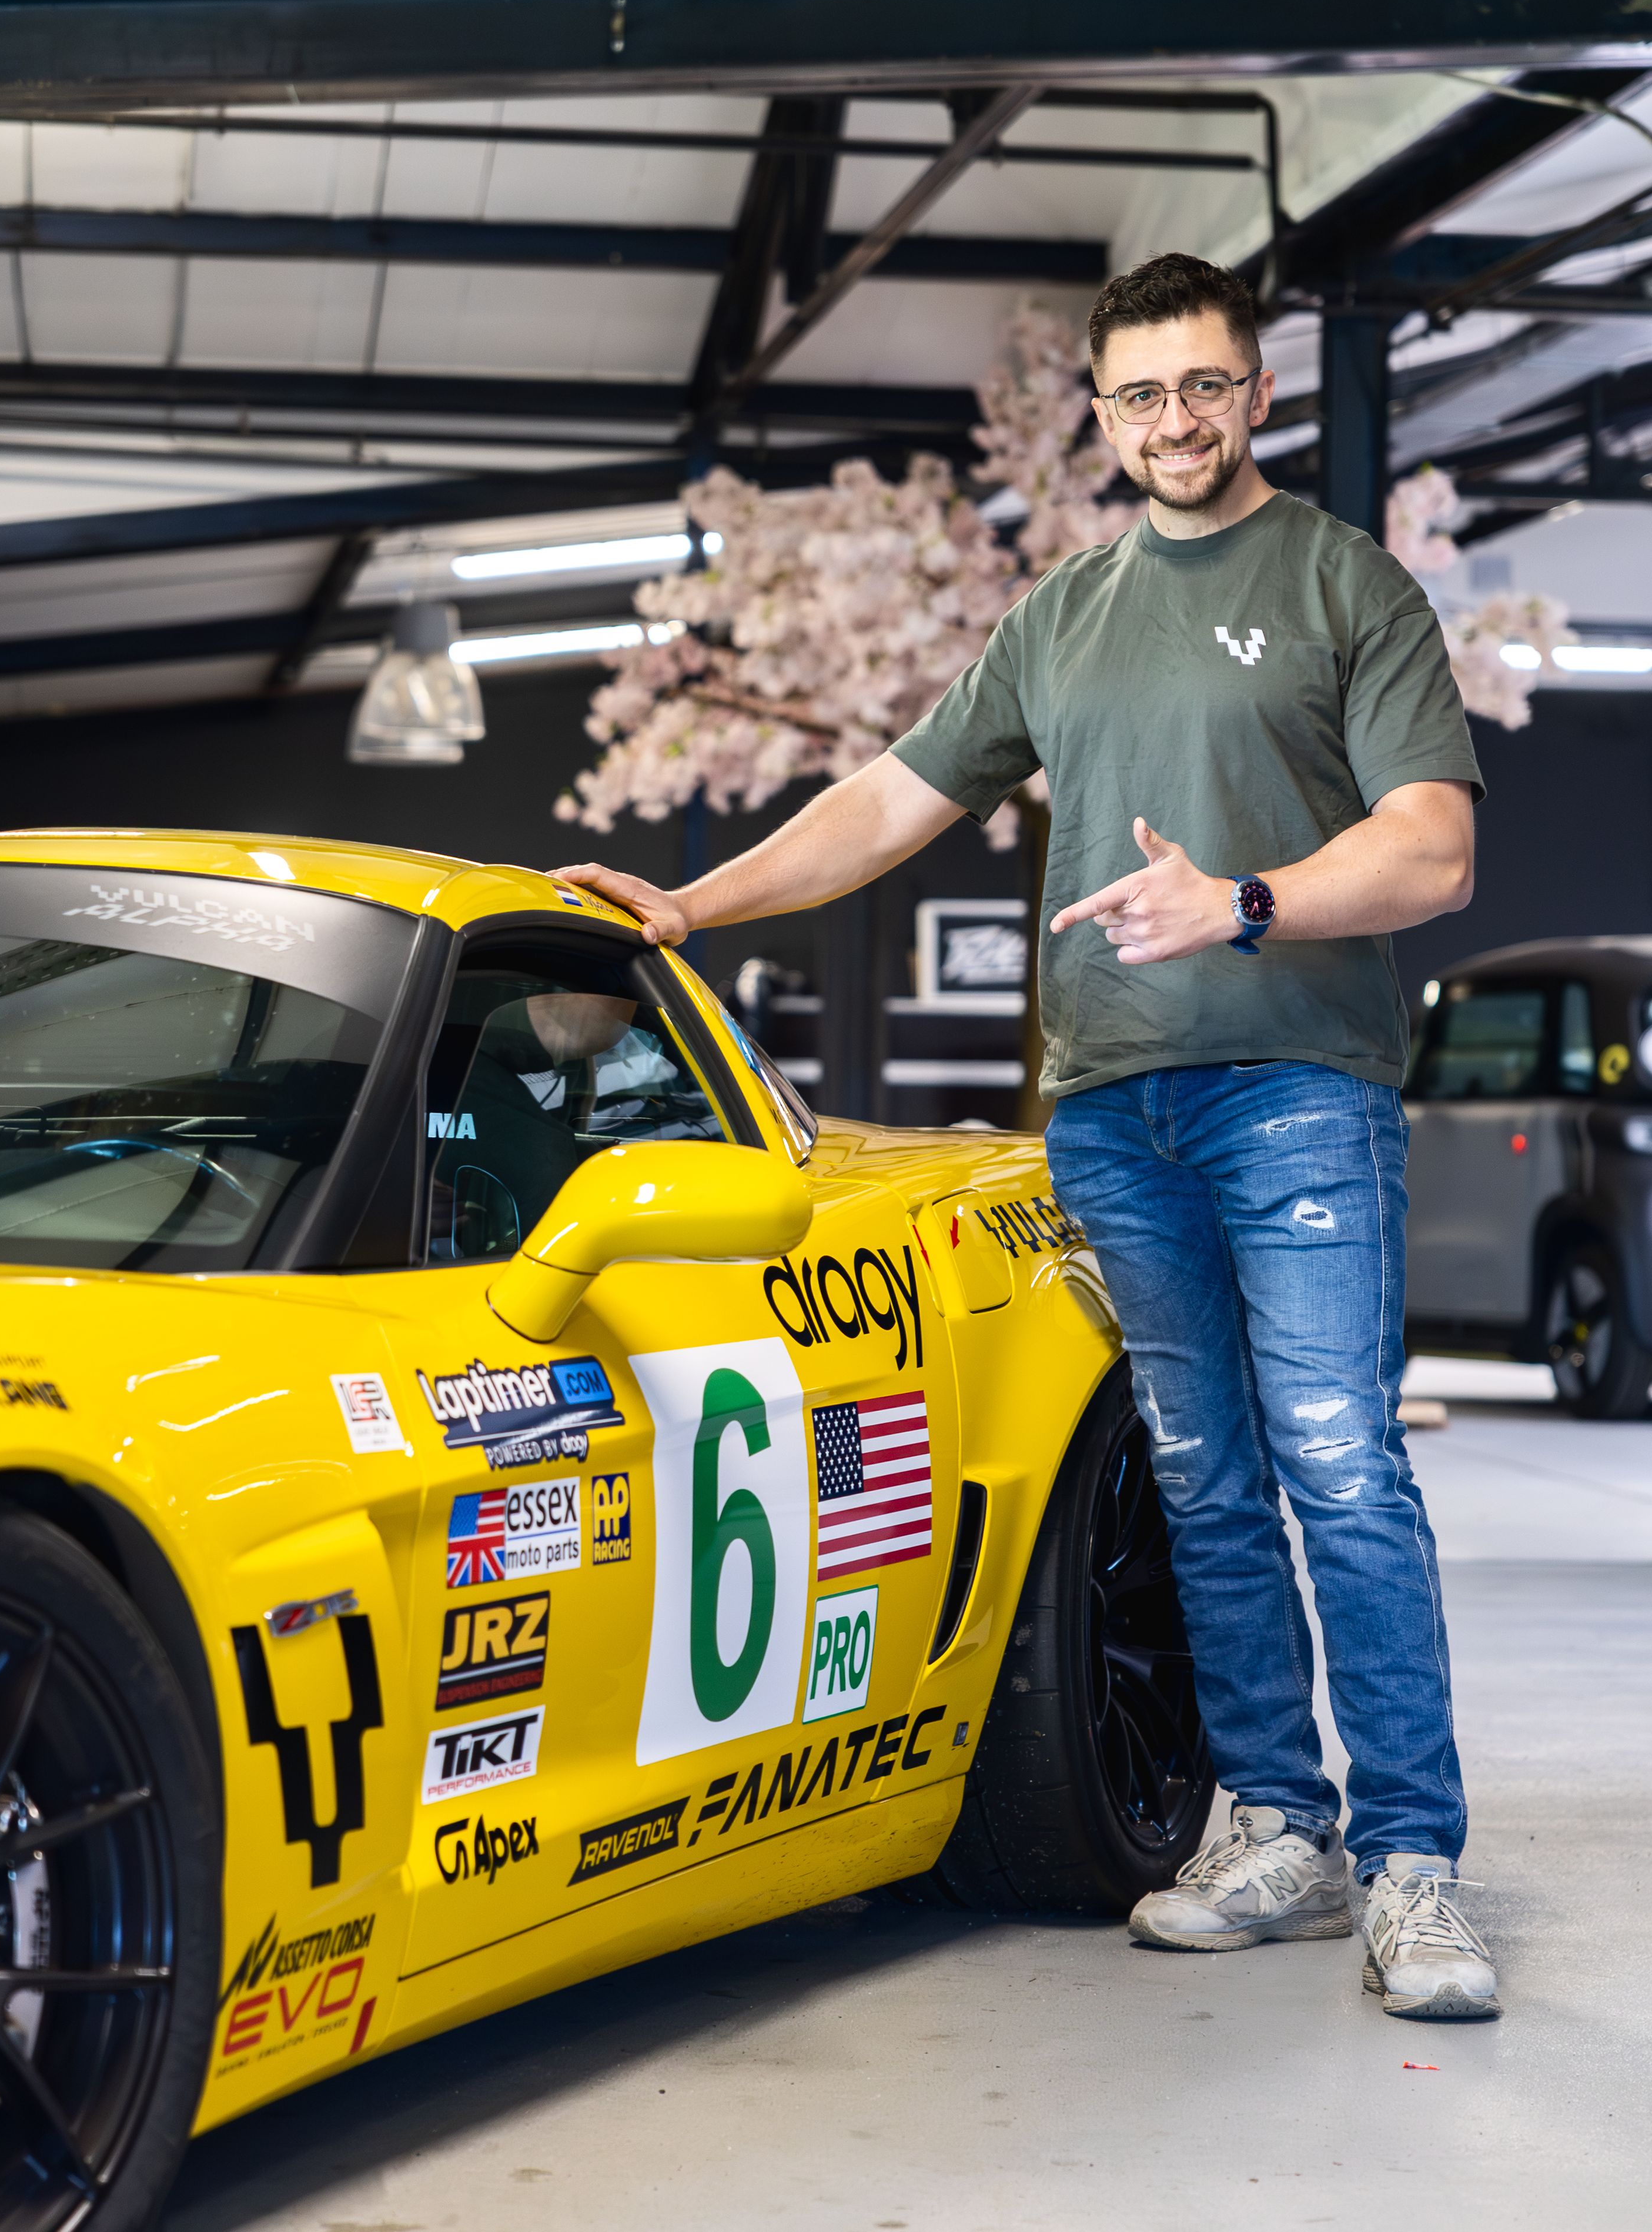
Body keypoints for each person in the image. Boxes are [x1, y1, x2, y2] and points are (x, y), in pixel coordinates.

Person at [559, 250, 1499, 2023]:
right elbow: (889, 802)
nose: (1176, 420)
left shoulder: (1345, 584)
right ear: (1102, 417)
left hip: (1300, 1092)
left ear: (1258, 391)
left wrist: (1237, 903)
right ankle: (1278, 1826)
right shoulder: (1060, 618)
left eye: (1205, 385)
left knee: (1340, 1463)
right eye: (1142, 394)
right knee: (1201, 1473)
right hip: (1113, 1113)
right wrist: (691, 905)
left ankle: (1414, 1862)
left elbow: (1434, 850)